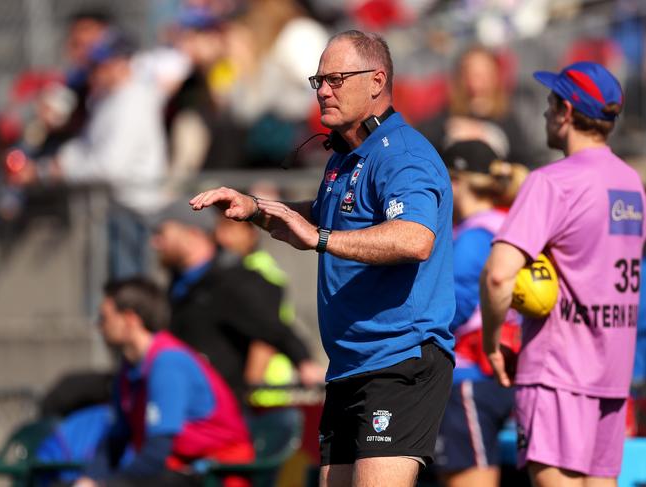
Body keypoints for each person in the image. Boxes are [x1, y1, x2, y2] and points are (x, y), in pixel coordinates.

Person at [190, 30, 455, 487]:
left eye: (336, 79)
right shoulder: (344, 157)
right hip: (350, 364)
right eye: (319, 81)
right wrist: (255, 209)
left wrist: (320, 237)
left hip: (399, 360)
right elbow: (320, 222)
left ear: (377, 81)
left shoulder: (404, 155)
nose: (324, 91)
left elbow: (415, 238)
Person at [480, 61, 645, 487]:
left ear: (566, 112)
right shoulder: (632, 184)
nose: (544, 114)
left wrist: (493, 342)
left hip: (559, 371)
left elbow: (499, 276)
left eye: (550, 103)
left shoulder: (552, 182)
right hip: (612, 373)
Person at [74, 277, 254, 487]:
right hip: (176, 471)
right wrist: (88, 479)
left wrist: (109, 484)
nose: (98, 326)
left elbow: (157, 453)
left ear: (130, 319)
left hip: (215, 475)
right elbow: (116, 439)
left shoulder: (167, 362)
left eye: (104, 318)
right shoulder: (129, 369)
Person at [150, 198, 325, 402]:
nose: (154, 243)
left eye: (162, 233)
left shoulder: (232, 280)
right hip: (185, 405)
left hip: (225, 411)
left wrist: (303, 361)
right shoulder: (178, 282)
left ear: (192, 233)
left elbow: (273, 328)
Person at [433, 140, 525, 487]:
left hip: (470, 377)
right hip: (508, 371)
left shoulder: (471, 239)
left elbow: (449, 311)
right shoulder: (510, 225)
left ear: (455, 182)